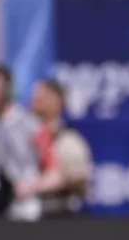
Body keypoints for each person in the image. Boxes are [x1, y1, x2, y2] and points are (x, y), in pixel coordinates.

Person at [0, 64, 42, 221]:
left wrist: (32, 186)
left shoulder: (29, 124)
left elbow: (51, 165)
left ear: (7, 90)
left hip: (26, 206)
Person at [20, 79, 94, 218]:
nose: (36, 100)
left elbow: (79, 179)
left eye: (43, 96)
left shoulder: (68, 140)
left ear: (58, 101)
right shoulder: (23, 136)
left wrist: (36, 186)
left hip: (57, 217)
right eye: (35, 97)